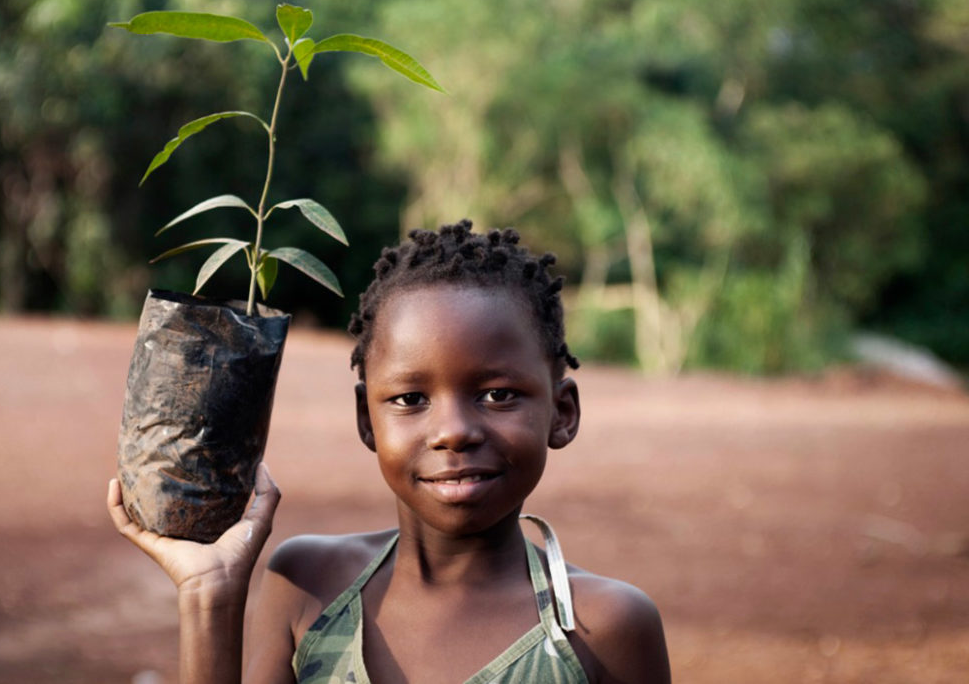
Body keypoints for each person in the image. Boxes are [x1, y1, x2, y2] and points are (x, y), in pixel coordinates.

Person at [107, 219, 672, 683]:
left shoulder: (604, 630)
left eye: (498, 395)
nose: (453, 431)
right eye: (410, 398)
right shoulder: (306, 586)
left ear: (562, 412)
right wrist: (210, 595)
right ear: (366, 420)